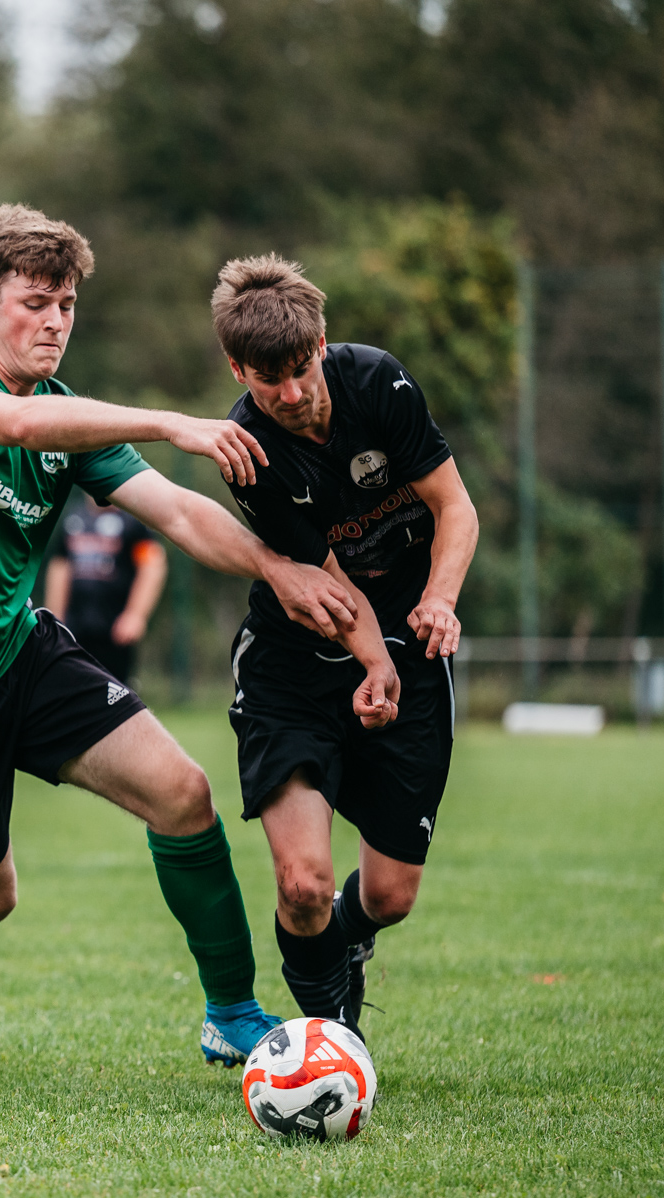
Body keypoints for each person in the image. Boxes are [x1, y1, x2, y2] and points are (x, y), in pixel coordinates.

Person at [0, 205, 363, 1072]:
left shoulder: (69, 418)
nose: (53, 323)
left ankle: (231, 1013)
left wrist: (277, 568)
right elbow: (12, 425)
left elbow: (179, 511)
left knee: (182, 793)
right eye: (34, 303)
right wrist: (169, 421)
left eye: (68, 306)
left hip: (21, 652)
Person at [210, 255, 479, 1040]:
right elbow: (326, 586)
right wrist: (375, 663)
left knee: (390, 896)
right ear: (237, 368)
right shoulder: (246, 447)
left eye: (299, 370)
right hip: (296, 660)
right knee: (303, 884)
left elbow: (454, 508)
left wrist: (439, 600)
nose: (289, 395)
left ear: (321, 344)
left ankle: (343, 941)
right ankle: (331, 1044)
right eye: (267, 381)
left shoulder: (380, 385)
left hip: (408, 643)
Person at [43, 494, 166, 686]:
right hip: (75, 626)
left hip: (114, 629)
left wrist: (135, 615)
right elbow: (60, 567)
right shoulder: (73, 519)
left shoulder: (133, 521)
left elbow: (152, 567)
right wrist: (55, 616)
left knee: (115, 692)